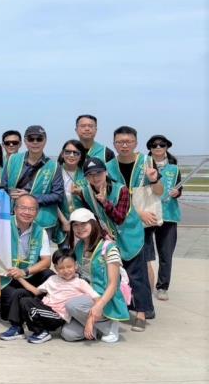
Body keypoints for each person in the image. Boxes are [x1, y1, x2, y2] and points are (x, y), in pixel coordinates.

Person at [74, 157, 153, 332]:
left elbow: (119, 217)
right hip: (110, 238)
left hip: (130, 236)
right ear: (86, 177)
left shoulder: (121, 190)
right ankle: (118, 309)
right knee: (113, 276)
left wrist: (104, 201)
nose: (95, 178)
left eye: (99, 173)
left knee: (136, 276)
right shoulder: (87, 192)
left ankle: (142, 313)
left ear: (106, 172)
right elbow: (93, 217)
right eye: (90, 175)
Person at [105, 125, 163, 323]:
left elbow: (160, 192)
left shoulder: (147, 162)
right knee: (124, 265)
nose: (124, 145)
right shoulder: (109, 166)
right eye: (120, 142)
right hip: (121, 223)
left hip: (144, 224)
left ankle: (145, 308)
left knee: (144, 264)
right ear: (114, 144)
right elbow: (112, 196)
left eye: (128, 142)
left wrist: (154, 180)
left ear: (136, 143)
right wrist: (137, 213)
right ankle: (133, 303)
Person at [62, 208, 129, 343]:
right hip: (87, 295)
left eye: (84, 224)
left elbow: (113, 284)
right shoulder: (79, 246)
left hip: (105, 297)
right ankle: (96, 325)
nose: (80, 228)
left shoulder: (109, 248)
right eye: (75, 225)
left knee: (72, 305)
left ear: (93, 224)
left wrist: (98, 306)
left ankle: (109, 324)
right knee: (68, 334)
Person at [11, 250, 101, 344]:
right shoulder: (53, 279)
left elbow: (97, 299)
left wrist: (90, 320)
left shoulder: (80, 283)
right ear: (56, 268)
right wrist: (19, 278)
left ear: (75, 265)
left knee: (27, 303)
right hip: (46, 308)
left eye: (69, 267)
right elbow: (36, 291)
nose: (66, 271)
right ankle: (16, 328)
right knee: (22, 297)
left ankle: (41, 331)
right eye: (61, 268)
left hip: (57, 316)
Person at [0, 194, 54, 339]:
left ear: (37, 212)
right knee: (8, 309)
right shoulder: (2, 225)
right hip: (7, 277)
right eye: (23, 208)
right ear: (14, 209)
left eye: (32, 209)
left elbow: (46, 261)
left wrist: (25, 271)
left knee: (49, 275)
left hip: (29, 274)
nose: (27, 212)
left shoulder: (40, 231)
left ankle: (43, 311)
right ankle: (19, 321)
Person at [2, 125, 64, 234]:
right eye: (31, 139)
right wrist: (10, 193)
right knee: (12, 251)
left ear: (45, 141)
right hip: (14, 217)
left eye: (39, 139)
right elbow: (3, 188)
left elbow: (58, 195)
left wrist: (30, 196)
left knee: (40, 250)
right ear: (25, 141)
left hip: (41, 221)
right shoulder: (13, 159)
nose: (35, 142)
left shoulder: (54, 166)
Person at [146, 135, 181, 301]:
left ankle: (162, 287)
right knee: (144, 254)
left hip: (168, 215)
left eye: (162, 144)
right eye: (154, 145)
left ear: (167, 147)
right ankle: (144, 283)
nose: (158, 147)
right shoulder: (144, 165)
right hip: (148, 214)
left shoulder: (174, 168)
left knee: (166, 254)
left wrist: (177, 192)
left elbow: (180, 187)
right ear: (150, 148)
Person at [53, 140, 87, 247]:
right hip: (62, 224)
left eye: (76, 153)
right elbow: (52, 200)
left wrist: (82, 193)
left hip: (84, 223)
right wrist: (64, 222)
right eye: (67, 152)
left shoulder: (86, 174)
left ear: (81, 156)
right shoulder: (55, 171)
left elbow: (92, 201)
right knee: (65, 258)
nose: (71, 155)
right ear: (62, 154)